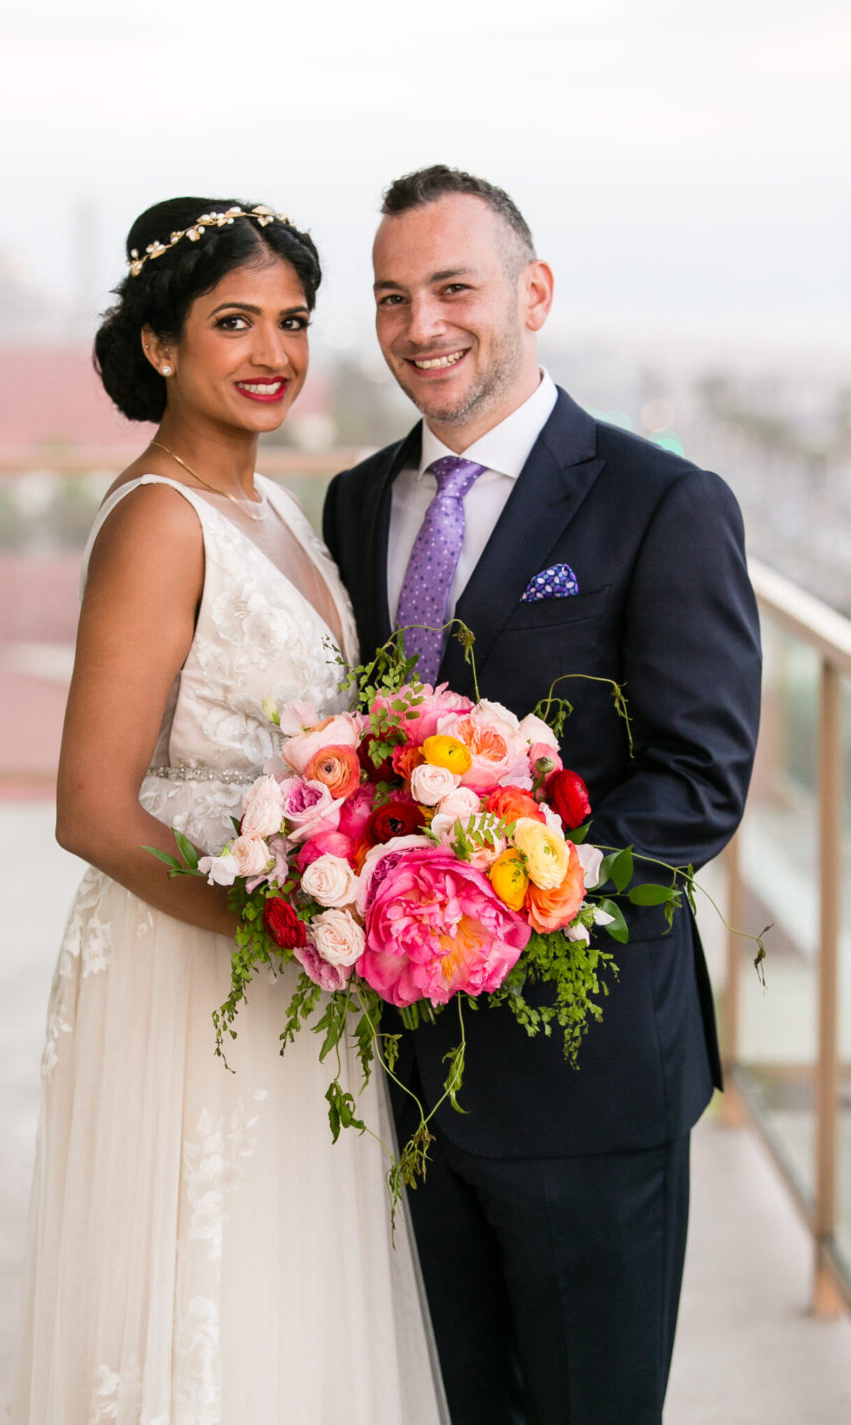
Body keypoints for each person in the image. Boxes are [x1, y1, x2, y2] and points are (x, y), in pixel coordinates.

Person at [323, 165, 762, 1425]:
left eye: (453, 288)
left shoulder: (661, 503)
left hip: (589, 1075)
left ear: (532, 292)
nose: (421, 327)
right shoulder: (358, 501)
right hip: (403, 1066)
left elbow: (696, 783)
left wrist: (496, 906)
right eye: (391, 297)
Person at [10, 196, 447, 1425]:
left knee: (290, 1301)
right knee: (204, 1298)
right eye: (234, 322)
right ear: (160, 344)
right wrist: (285, 924)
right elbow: (92, 808)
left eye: (294, 321)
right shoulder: (161, 519)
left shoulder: (277, 512)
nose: (273, 354)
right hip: (195, 964)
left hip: (296, 961)